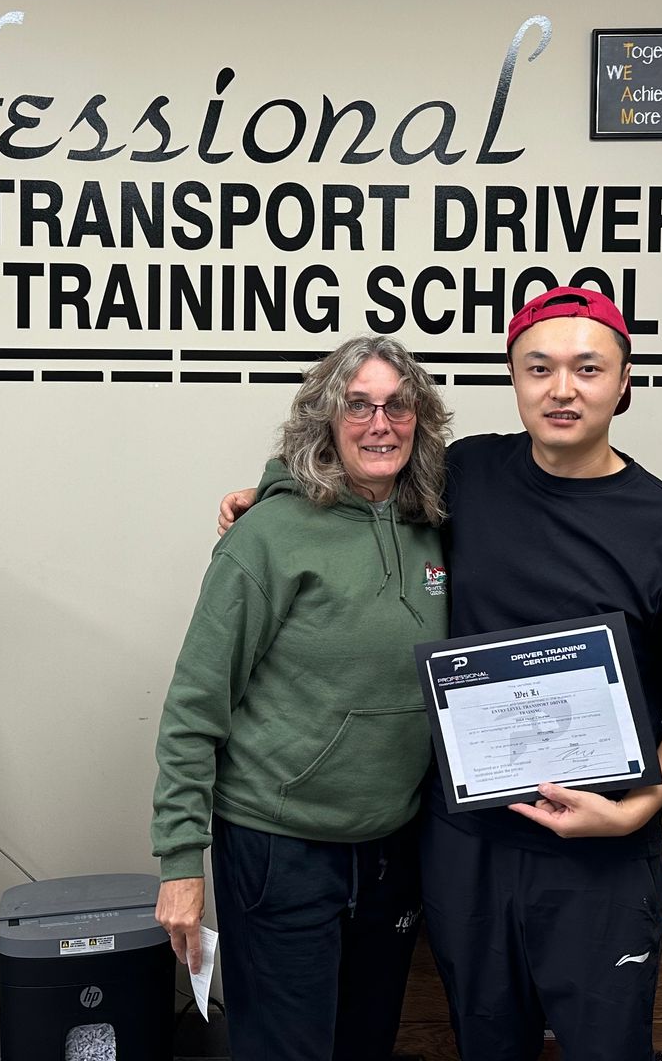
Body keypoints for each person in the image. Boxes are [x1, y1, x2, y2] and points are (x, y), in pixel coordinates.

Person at [219, 287, 662, 1061]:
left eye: (587, 368)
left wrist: (637, 808)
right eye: (539, 368)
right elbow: (354, 479)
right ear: (513, 376)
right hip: (465, 844)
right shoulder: (466, 474)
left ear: (626, 379)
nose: (561, 389)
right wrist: (268, 496)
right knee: (483, 1041)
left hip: (596, 852)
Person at [152, 335, 453, 1061]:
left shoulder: (442, 521)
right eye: (358, 406)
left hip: (392, 848)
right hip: (279, 847)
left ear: (421, 418)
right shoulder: (269, 538)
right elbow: (195, 707)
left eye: (398, 404)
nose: (380, 424)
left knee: (365, 1045)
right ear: (325, 419)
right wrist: (180, 864)